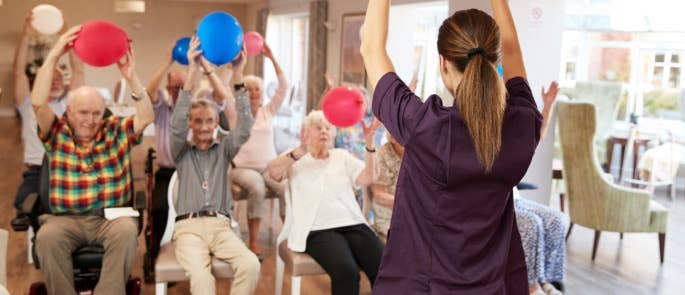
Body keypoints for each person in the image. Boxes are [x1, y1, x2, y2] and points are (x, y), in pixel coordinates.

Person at [361, 0, 543, 293]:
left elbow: (371, 48)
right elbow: (513, 51)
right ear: (493, 61)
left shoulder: (426, 128)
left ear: (443, 63)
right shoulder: (521, 125)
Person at [32, 26, 154, 294]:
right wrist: (54, 55)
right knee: (47, 237)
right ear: (69, 112)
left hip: (110, 219)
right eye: (83, 113)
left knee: (125, 231)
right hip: (65, 220)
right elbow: (38, 103)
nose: (90, 120)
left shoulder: (114, 129)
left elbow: (145, 117)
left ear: (104, 112)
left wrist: (132, 78)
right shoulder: (56, 132)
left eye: (96, 113)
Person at [169, 37, 260, 294]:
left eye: (210, 121)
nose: (205, 127)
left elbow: (244, 126)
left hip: (222, 227)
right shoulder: (181, 152)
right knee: (202, 279)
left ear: (216, 124)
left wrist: (239, 72)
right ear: (191, 124)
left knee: (250, 264)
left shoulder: (225, 150)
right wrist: (192, 71)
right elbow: (175, 126)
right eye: (198, 121)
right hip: (189, 229)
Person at [268, 111, 385, 295]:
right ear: (305, 131)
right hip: (317, 229)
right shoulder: (295, 158)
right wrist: (300, 151)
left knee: (385, 267)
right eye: (318, 127)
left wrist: (370, 142)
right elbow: (273, 172)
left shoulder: (341, 156)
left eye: (328, 128)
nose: (324, 131)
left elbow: (369, 177)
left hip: (352, 223)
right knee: (347, 272)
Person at [146, 41, 237, 255]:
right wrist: (167, 62)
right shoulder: (162, 109)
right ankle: (161, 255)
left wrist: (205, 68)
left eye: (184, 86)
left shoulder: (202, 106)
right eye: (175, 87)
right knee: (160, 209)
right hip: (169, 172)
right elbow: (148, 91)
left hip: (199, 170)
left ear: (192, 87)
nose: (179, 91)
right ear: (168, 90)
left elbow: (223, 96)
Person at [10, 11, 84, 229]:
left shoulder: (71, 103)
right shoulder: (28, 104)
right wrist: (26, 35)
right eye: (49, 79)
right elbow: (18, 74)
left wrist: (66, 31)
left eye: (59, 78)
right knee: (23, 203)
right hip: (36, 170)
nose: (54, 82)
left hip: (67, 168)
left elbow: (78, 70)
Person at [229, 42, 288, 257]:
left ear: (262, 94)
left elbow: (283, 87)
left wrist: (272, 58)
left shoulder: (268, 111)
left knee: (284, 187)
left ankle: (289, 235)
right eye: (249, 89)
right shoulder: (235, 113)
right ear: (242, 93)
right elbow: (231, 88)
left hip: (268, 167)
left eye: (258, 89)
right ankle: (254, 241)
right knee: (257, 187)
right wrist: (238, 68)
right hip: (242, 169)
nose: (254, 93)